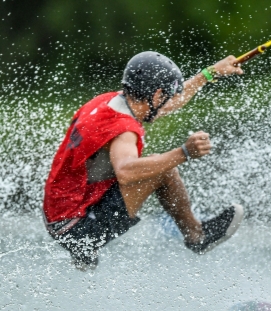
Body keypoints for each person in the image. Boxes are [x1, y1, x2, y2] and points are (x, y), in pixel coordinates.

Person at [42, 51, 244, 270]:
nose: (169, 100)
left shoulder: (109, 102)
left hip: (58, 215)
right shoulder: (123, 131)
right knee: (164, 169)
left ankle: (83, 251)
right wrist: (184, 152)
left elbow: (167, 104)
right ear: (156, 95)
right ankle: (197, 236)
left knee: (159, 164)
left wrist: (210, 73)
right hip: (77, 228)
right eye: (166, 94)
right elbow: (126, 171)